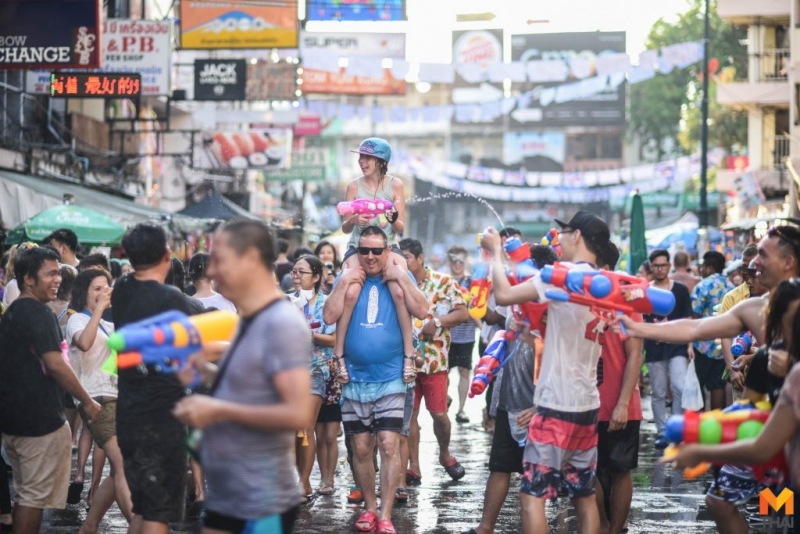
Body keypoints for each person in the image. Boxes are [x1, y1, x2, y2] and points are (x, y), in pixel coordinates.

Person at [172, 220, 314, 534]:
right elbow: (252, 385)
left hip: (262, 500)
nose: (211, 271)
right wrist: (204, 370)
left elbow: (296, 413)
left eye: (220, 260)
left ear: (250, 259)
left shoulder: (282, 323)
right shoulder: (247, 317)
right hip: (229, 491)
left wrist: (217, 409)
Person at [481, 210, 612, 534]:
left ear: (577, 236)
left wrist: (495, 252)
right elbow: (560, 332)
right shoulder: (603, 284)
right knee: (583, 496)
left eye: (564, 233)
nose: (560, 240)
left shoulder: (560, 276)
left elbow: (504, 295)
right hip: (587, 405)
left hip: (555, 405)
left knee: (532, 496)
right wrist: (531, 331)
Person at [668, 279, 800, 531]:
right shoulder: (765, 359)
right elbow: (748, 414)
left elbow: (762, 447)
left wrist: (702, 452)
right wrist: (705, 430)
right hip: (780, 469)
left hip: (777, 461)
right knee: (777, 522)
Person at [322, 226, 428, 534]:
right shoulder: (349, 276)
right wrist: (343, 282)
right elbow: (328, 316)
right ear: (357, 251)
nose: (370, 256)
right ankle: (369, 508)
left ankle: (385, 514)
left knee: (389, 444)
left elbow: (422, 310)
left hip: (392, 375)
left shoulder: (397, 275)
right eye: (364, 250)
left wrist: (401, 278)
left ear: (387, 251)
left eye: (376, 251)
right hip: (354, 378)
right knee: (361, 447)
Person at [0, 246, 101, 534]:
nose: (58, 279)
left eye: (59, 272)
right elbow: (56, 364)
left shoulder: (13, 312)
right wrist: (87, 401)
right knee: (32, 498)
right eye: (50, 273)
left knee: (25, 494)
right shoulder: (38, 313)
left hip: (16, 422)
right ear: (28, 278)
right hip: (38, 424)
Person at [462, 244, 558, 534]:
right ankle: (485, 526)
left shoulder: (556, 304)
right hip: (510, 399)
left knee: (538, 478)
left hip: (540, 405)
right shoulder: (517, 299)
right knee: (500, 466)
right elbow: (495, 315)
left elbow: (561, 363)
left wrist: (542, 406)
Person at [111, 223, 193, 534]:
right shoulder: (171, 298)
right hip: (161, 418)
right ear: (167, 255)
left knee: (146, 507)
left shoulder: (122, 289)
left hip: (129, 414)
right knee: (158, 512)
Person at [334, 138, 417, 389]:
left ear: (381, 162)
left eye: (367, 157)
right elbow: (344, 226)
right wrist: (353, 220)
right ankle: (338, 354)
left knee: (400, 291)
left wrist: (392, 218)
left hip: (387, 246)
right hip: (358, 246)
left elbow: (400, 227)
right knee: (350, 292)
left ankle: (409, 353)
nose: (362, 162)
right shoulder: (353, 186)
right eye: (360, 157)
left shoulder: (396, 185)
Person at [66, 268, 133, 534]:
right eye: (97, 288)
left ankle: (90, 525)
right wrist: (99, 309)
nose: (103, 293)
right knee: (122, 463)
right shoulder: (77, 320)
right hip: (95, 400)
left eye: (106, 288)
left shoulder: (109, 323)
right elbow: (84, 343)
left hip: (118, 399)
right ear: (83, 292)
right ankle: (139, 525)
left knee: (118, 468)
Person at [399, 238, 469, 484]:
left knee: (439, 414)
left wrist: (437, 322)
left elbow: (463, 313)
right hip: (405, 361)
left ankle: (445, 453)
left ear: (420, 258)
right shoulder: (398, 283)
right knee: (409, 415)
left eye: (406, 257)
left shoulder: (444, 282)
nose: (402, 263)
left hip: (435, 362)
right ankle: (414, 466)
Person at [594, 243, 644, 534]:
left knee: (620, 470)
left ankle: (615, 529)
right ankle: (601, 525)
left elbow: (635, 354)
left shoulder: (625, 298)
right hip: (583, 403)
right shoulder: (577, 295)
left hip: (618, 401)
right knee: (585, 470)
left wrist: (623, 404)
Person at [289, 254, 336, 498]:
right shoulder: (287, 301)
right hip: (289, 373)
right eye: (294, 272)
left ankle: (304, 482)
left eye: (302, 272)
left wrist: (310, 335)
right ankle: (294, 479)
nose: (296, 276)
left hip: (316, 370)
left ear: (316, 277)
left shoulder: (327, 304)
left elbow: (334, 339)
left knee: (306, 427)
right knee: (291, 429)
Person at [644, 249, 693, 444]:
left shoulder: (680, 290)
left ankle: (676, 428)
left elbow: (688, 319)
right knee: (658, 391)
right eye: (656, 266)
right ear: (651, 267)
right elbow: (641, 318)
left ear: (669, 266)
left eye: (663, 265)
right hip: (654, 348)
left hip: (677, 346)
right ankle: (662, 431)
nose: (660, 269)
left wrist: (690, 345)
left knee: (679, 387)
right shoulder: (645, 291)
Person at [690, 251, 735, 411]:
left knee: (698, 383)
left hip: (703, 344)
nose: (701, 269)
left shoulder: (703, 286)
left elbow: (694, 315)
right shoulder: (731, 286)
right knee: (718, 385)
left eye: (702, 266)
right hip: (724, 345)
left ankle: (699, 421)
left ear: (709, 267)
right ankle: (717, 420)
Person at [718, 247, 758, 399]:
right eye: (744, 267)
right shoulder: (732, 297)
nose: (747, 273)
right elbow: (724, 334)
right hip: (741, 370)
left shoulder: (780, 296)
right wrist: (733, 370)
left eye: (753, 269)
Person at [445, 244, 478, 424]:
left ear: (466, 261)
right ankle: (444, 400)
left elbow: (478, 307)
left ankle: (461, 409)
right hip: (445, 335)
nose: (457, 264)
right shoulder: (443, 280)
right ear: (448, 261)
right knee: (443, 373)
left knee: (465, 371)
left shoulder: (472, 282)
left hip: (466, 335)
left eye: (461, 260)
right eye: (454, 260)